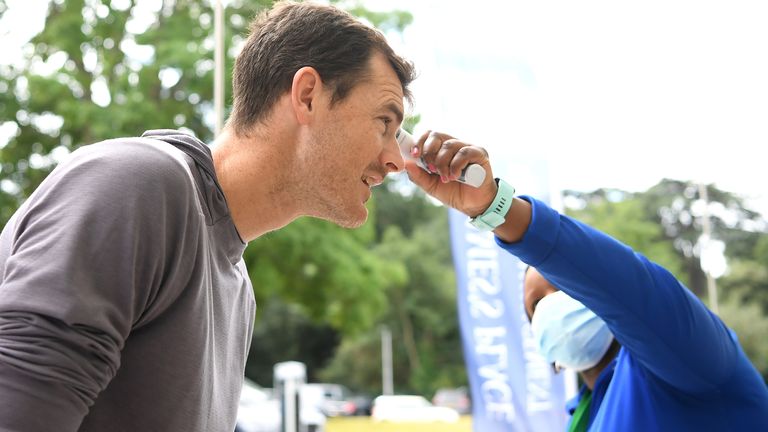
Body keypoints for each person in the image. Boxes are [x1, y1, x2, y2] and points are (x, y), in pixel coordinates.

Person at [0, 2, 415, 431]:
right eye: (384, 122)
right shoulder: (138, 186)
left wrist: (491, 209)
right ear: (308, 95)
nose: (395, 161)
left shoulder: (236, 286)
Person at [402, 130, 768, 431]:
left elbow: (623, 283)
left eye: (564, 287)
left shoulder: (693, 358)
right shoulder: (583, 413)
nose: (551, 305)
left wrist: (496, 208)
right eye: (535, 305)